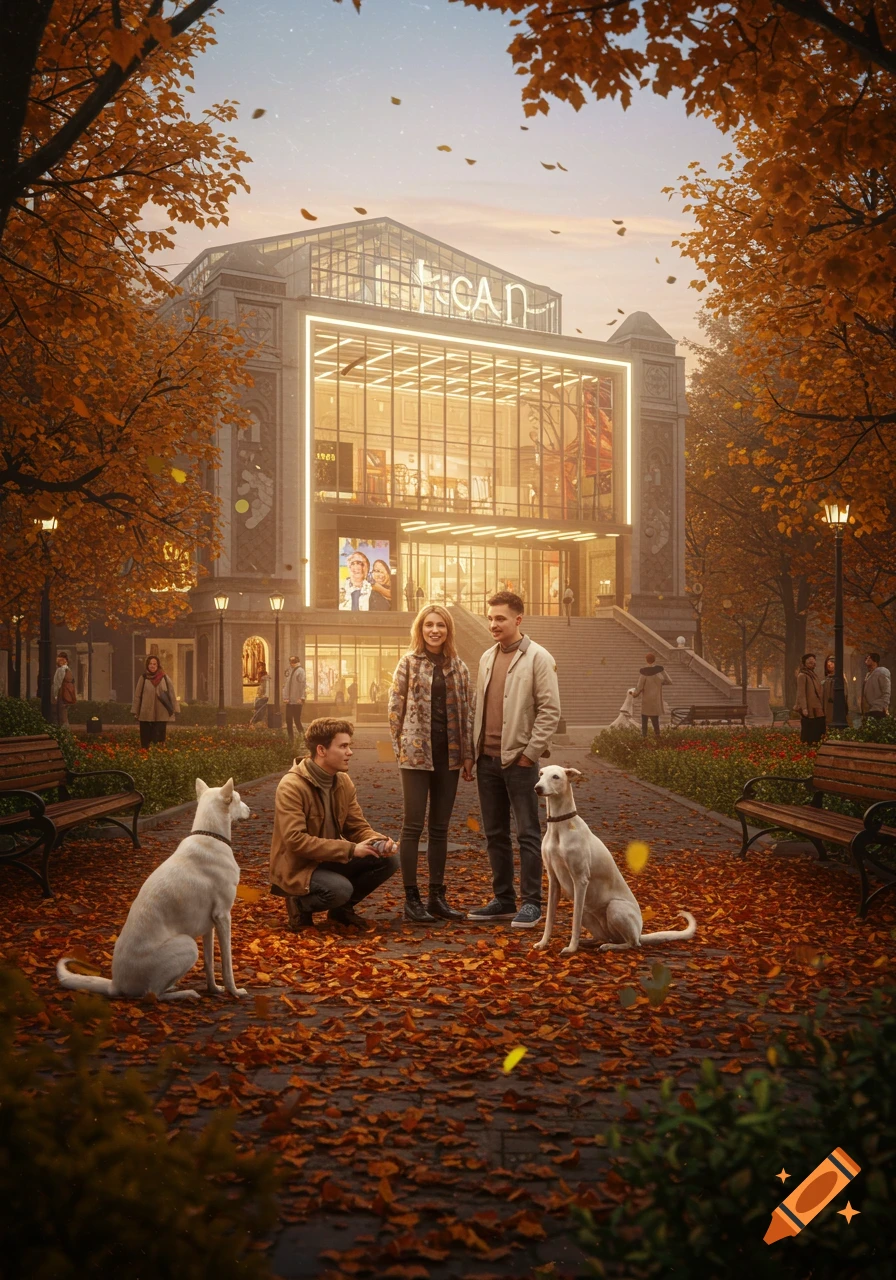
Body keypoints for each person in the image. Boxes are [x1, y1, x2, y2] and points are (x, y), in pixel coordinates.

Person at [468, 591, 561, 929]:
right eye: (490, 618)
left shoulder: (538, 657)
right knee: (494, 833)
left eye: (500, 618)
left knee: (527, 834)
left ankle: (532, 903)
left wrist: (529, 754)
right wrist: (472, 753)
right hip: (487, 760)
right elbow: (478, 709)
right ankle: (503, 899)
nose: (493, 624)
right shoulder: (486, 658)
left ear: (518, 620)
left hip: (519, 763)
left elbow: (550, 711)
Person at [269, 718, 399, 932]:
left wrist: (379, 842)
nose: (350, 752)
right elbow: (295, 840)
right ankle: (299, 906)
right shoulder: (291, 786)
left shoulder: (343, 782)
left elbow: (357, 827)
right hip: (298, 867)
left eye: (349, 745)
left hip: (328, 859)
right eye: (343, 746)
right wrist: (350, 849)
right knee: (339, 889)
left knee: (388, 860)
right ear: (321, 750)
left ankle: (341, 912)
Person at [389, 605, 475, 925]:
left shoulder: (459, 668)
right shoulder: (408, 663)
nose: (435, 630)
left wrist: (468, 755)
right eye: (429, 625)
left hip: (449, 756)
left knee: (440, 827)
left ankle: (436, 897)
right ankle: (411, 899)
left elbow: (467, 713)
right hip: (415, 756)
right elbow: (394, 709)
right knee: (413, 825)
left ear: (448, 630)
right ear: (420, 629)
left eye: (440, 625)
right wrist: (401, 748)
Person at [132, 655, 179, 747]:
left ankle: (158, 753)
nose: (152, 666)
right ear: (147, 665)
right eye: (150, 664)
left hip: (161, 712)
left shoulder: (164, 677)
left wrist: (176, 709)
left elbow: (171, 694)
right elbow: (138, 695)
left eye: (154, 664)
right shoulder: (143, 678)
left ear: (158, 665)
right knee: (145, 737)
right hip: (146, 712)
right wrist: (135, 711)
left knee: (159, 737)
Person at [632, 652, 672, 738]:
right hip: (656, 701)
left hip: (646, 701)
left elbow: (639, 687)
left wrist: (634, 694)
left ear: (646, 660)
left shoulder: (644, 672)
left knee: (644, 723)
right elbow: (669, 681)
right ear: (654, 660)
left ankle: (644, 739)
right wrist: (660, 683)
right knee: (655, 722)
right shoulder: (659, 670)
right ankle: (658, 737)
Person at [796, 652, 825, 743]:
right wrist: (804, 708)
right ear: (804, 663)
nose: (812, 662)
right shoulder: (802, 675)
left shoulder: (813, 675)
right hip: (809, 708)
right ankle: (807, 747)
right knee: (809, 729)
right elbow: (801, 693)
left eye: (813, 660)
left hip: (817, 707)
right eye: (809, 660)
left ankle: (816, 745)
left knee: (818, 728)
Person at [282, 656, 306, 745]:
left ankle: (303, 736)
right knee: (289, 720)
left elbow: (302, 685)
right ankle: (291, 738)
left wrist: (302, 697)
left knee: (296, 720)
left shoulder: (300, 671)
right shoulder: (291, 671)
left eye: (292, 662)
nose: (291, 663)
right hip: (290, 701)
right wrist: (285, 697)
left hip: (296, 701)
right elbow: (286, 685)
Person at [822, 654, 850, 727]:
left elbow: (845, 694)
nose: (830, 664)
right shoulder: (826, 680)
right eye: (828, 662)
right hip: (826, 711)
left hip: (837, 710)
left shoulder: (840, 679)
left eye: (832, 662)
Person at [862, 652, 891, 719]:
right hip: (870, 709)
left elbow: (886, 690)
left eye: (869, 658)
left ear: (874, 661)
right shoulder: (868, 675)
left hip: (878, 709)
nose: (867, 660)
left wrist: (884, 706)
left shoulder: (881, 672)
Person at [52, 652, 75, 726]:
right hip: (66, 695)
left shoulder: (61, 670)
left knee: (60, 715)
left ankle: (63, 733)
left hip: (60, 695)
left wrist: (55, 696)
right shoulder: (68, 669)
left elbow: (57, 684)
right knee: (64, 714)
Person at [250, 662, 269, 727]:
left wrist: (264, 695)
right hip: (262, 695)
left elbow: (265, 690)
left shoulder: (265, 677)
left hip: (265, 697)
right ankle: (256, 718)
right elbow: (260, 689)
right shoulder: (262, 677)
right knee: (258, 701)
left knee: (260, 703)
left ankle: (256, 719)